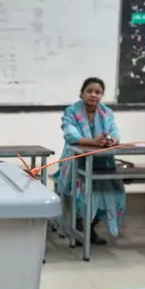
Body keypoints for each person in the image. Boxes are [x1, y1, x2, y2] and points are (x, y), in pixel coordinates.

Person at [53, 77, 126, 245]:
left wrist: (110, 141)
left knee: (113, 191)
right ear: (82, 93)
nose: (93, 95)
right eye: (89, 91)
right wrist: (95, 142)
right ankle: (78, 228)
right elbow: (71, 136)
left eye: (98, 92)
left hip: (102, 162)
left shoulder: (106, 113)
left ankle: (89, 228)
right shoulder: (71, 112)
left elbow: (116, 134)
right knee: (82, 192)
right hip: (75, 161)